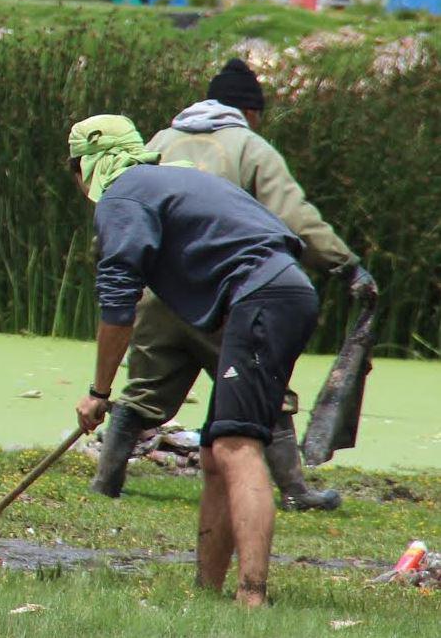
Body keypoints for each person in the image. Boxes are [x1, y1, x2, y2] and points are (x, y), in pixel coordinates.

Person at [90, 59, 377, 511]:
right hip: (227, 293)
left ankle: (106, 481)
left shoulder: (159, 141)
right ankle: (295, 491)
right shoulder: (250, 146)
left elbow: (127, 217)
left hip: (161, 294)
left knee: (145, 391)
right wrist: (345, 265)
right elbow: (294, 217)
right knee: (266, 390)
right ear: (251, 112)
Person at [68, 114, 319, 608]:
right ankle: (208, 592)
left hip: (262, 297)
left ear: (86, 168)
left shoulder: (123, 195)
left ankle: (252, 598)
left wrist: (99, 393)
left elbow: (119, 303)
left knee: (235, 446)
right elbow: (282, 237)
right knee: (214, 453)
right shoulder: (176, 178)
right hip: (282, 292)